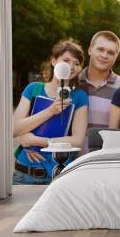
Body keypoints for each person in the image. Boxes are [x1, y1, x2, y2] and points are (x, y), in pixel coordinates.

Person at [12, 39, 89, 184]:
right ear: (54, 61)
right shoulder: (33, 89)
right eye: (66, 60)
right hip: (26, 174)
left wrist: (36, 141)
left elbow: (77, 140)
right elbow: (14, 129)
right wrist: (50, 111)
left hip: (60, 176)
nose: (71, 66)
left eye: (76, 63)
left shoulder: (79, 97)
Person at [79, 31, 120, 128]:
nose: (104, 56)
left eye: (110, 53)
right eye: (100, 49)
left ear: (116, 57)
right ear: (90, 50)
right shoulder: (72, 83)